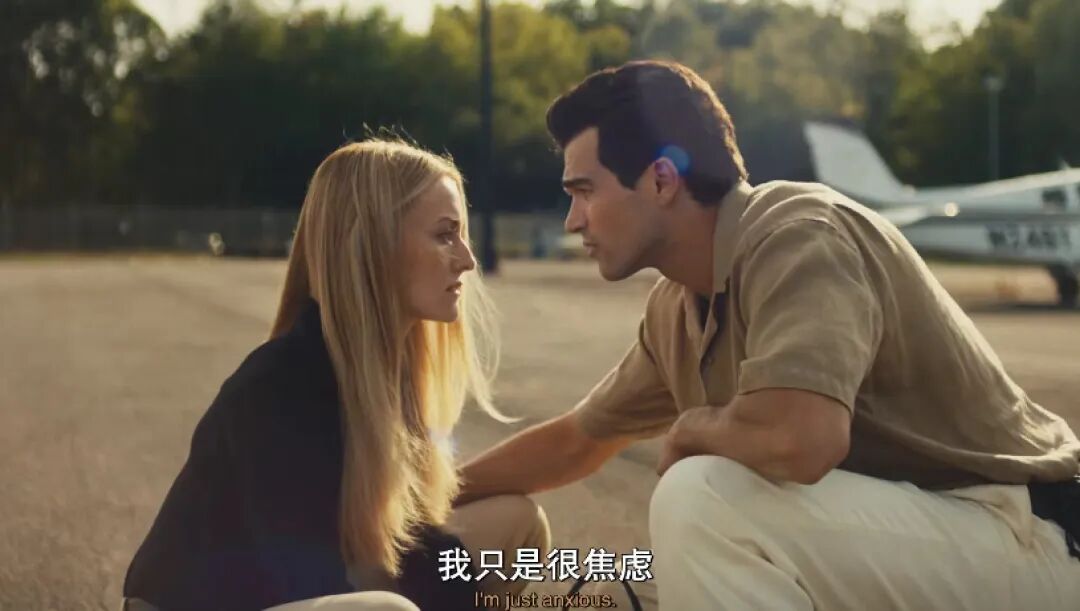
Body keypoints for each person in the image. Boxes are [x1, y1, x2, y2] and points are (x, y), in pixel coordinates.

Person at [456, 60, 1080, 609]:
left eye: (584, 192)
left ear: (663, 180)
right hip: (915, 548)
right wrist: (424, 502)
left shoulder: (799, 234)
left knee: (704, 498)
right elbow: (577, 441)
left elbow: (800, 438)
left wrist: (692, 428)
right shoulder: (678, 302)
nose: (573, 221)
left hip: (1023, 537)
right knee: (608, 596)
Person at [122, 139, 550, 611]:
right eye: (445, 234)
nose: (467, 259)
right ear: (374, 244)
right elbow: (300, 580)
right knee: (385, 610)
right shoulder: (278, 387)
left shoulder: (387, 373)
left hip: (308, 582)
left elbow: (403, 544)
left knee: (519, 525)